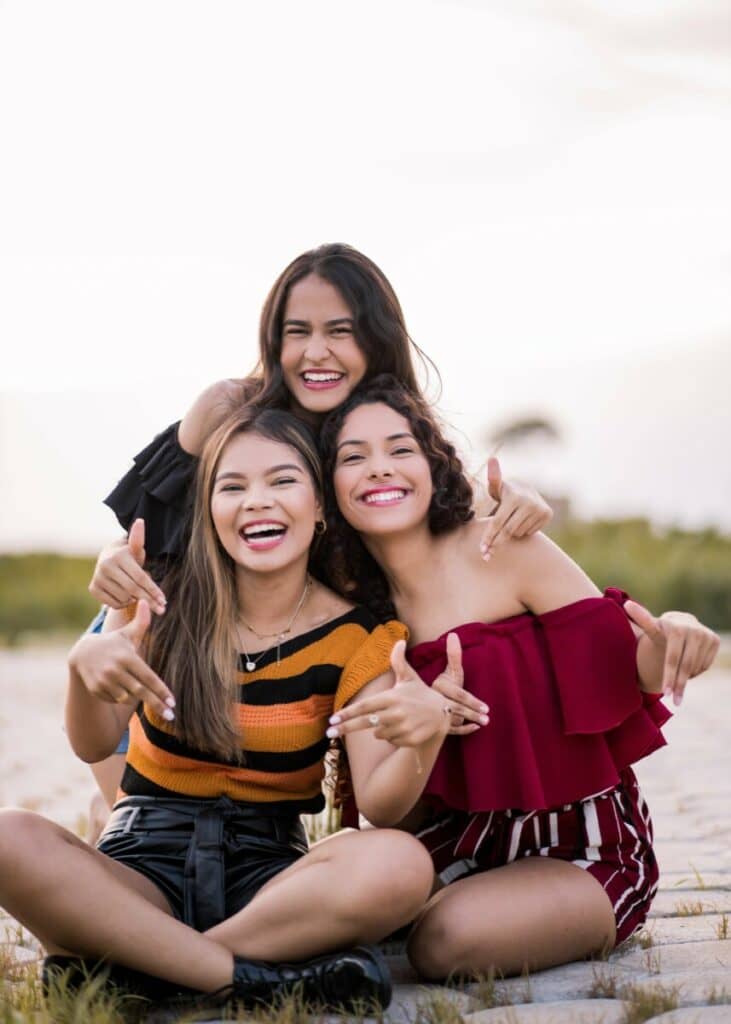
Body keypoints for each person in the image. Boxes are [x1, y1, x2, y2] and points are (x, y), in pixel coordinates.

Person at [0, 408, 475, 1016]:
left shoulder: (361, 637)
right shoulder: (159, 598)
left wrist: (423, 737)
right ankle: (243, 978)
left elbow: (382, 807)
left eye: (282, 481)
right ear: (208, 509)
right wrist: (83, 667)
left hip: (270, 884)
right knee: (10, 834)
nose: (258, 501)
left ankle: (149, 967)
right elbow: (93, 744)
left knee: (402, 864)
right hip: (142, 865)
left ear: (321, 506)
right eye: (233, 487)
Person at [84, 241, 551, 832]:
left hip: (315, 640)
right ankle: (118, 815)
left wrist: (519, 500)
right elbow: (144, 534)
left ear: (376, 339)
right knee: (140, 813)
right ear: (273, 341)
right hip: (182, 634)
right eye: (296, 331)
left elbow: (448, 512)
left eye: (341, 331)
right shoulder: (229, 408)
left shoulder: (387, 421)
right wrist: (108, 561)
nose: (316, 352)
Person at [315, 374, 720, 981]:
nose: (380, 468)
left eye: (400, 449)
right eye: (354, 457)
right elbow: (389, 813)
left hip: (585, 848)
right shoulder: (354, 617)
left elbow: (629, 663)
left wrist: (677, 636)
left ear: (433, 466)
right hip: (459, 845)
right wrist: (423, 732)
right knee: (324, 880)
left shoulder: (503, 548)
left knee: (444, 942)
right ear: (328, 489)